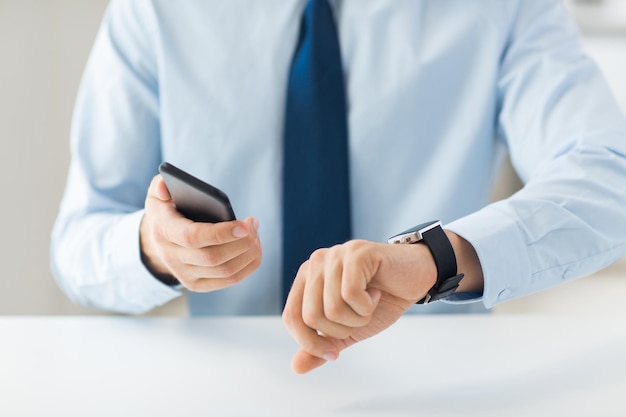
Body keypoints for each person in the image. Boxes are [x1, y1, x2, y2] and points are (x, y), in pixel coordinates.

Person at [51, 0, 626, 374]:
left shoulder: (506, 8)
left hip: (439, 381)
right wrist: (155, 249)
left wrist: (434, 260)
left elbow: (609, 177)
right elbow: (79, 241)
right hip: (225, 382)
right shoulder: (154, 10)